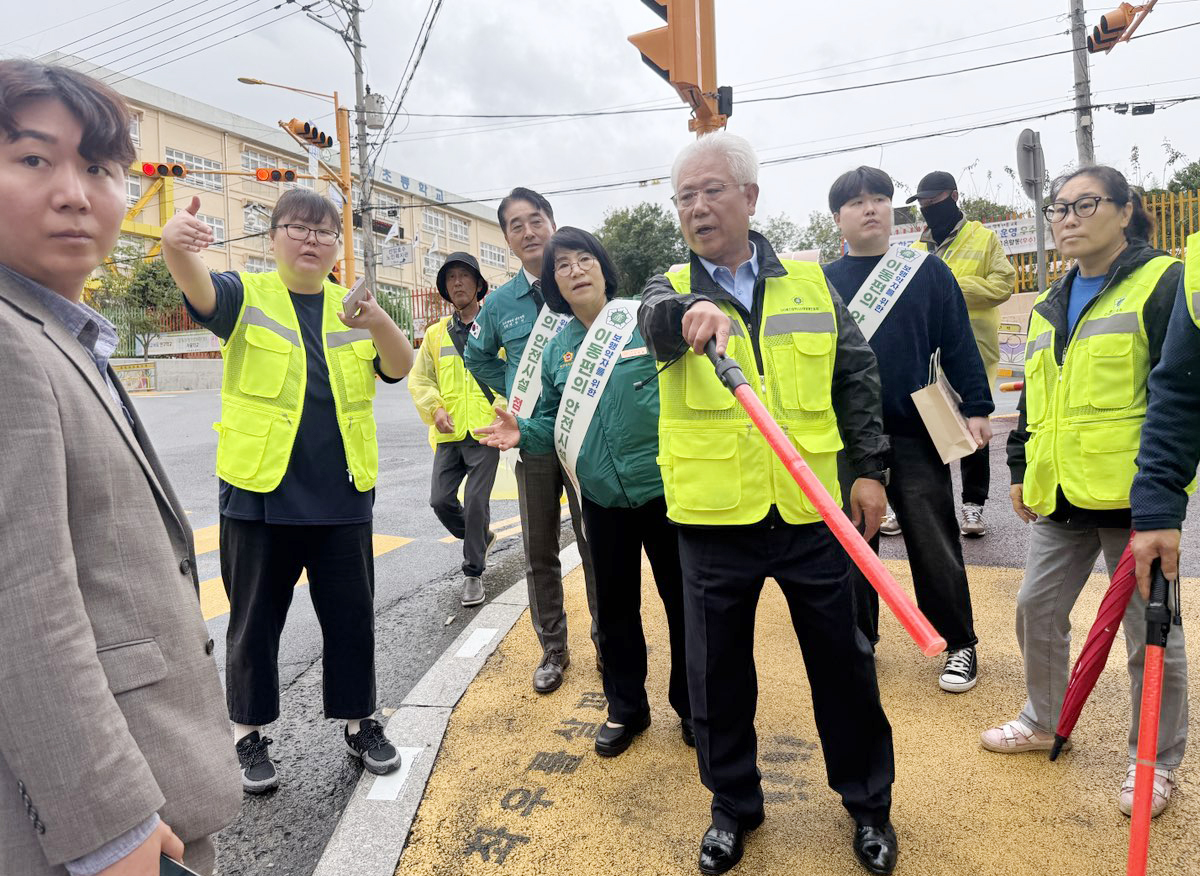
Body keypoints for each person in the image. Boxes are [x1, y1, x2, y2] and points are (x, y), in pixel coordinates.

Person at [0, 60, 240, 876]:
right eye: (34, 159)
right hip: (104, 822)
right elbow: (22, 597)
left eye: (99, 168)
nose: (74, 192)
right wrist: (108, 829)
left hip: (147, 780)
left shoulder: (55, 329)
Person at [639, 132, 897, 876]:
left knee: (845, 665)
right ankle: (733, 808)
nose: (696, 207)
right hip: (714, 518)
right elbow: (655, 323)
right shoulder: (665, 288)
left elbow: (856, 375)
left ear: (750, 198)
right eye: (684, 196)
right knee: (717, 674)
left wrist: (870, 470)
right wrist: (692, 310)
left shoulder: (811, 284)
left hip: (814, 510)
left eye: (711, 190)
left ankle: (869, 804)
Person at [161, 187, 414, 793]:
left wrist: (377, 317)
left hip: (344, 496)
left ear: (337, 247)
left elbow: (400, 367)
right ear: (272, 238)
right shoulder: (246, 296)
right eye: (296, 228)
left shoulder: (353, 308)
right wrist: (175, 247)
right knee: (253, 622)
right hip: (258, 496)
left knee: (352, 620)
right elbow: (198, 289)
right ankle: (245, 734)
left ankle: (361, 724)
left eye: (324, 232)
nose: (310, 239)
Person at [984, 165, 1188, 819]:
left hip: (1137, 501)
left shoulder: (1164, 285)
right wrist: (1019, 467)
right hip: (1062, 496)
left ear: (1126, 212)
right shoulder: (1048, 301)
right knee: (1035, 610)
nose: (1067, 218)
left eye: (1085, 204)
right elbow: (1031, 397)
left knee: (1150, 637)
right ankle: (1043, 718)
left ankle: (1152, 762)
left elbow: (1179, 396)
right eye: (1058, 207)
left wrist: (1163, 497)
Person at [478, 227, 691, 757]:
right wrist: (521, 433)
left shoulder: (642, 319)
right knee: (615, 610)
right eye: (562, 266)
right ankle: (626, 710)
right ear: (554, 284)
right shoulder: (557, 351)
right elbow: (550, 421)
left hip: (666, 490)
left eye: (583, 259)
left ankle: (692, 706)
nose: (575, 270)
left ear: (602, 266)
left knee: (684, 604)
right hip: (601, 499)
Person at [825, 166, 993, 691]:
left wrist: (978, 406)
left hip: (917, 429)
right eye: (856, 203)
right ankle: (859, 641)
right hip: (849, 436)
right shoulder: (820, 281)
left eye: (880, 198)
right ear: (837, 219)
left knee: (934, 542)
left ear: (894, 210)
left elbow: (959, 341)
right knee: (854, 544)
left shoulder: (925, 272)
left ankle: (959, 643)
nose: (870, 208)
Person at [464, 187, 601, 694]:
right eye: (516, 225)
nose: (528, 231)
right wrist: (516, 389)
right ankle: (554, 650)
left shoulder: (582, 280)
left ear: (551, 221)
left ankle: (607, 643)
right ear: (506, 238)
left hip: (590, 438)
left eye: (535, 219)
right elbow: (477, 357)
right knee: (540, 549)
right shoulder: (499, 303)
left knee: (596, 547)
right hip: (534, 440)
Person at [906, 170, 1015, 537]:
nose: (927, 208)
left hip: (972, 348)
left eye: (934, 201)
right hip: (925, 351)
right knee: (923, 424)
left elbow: (1004, 284)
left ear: (953, 197)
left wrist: (950, 283)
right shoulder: (915, 249)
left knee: (973, 425)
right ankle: (913, 508)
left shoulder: (983, 240)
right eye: (922, 202)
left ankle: (973, 506)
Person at [408, 252, 501, 607]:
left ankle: (473, 573)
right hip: (448, 435)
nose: (457, 283)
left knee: (476, 502)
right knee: (440, 501)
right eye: (451, 279)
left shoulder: (496, 328)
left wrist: (502, 414)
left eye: (464, 276)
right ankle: (480, 538)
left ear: (478, 285)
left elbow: (511, 378)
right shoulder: (434, 335)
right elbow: (420, 380)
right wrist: (436, 408)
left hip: (484, 431)